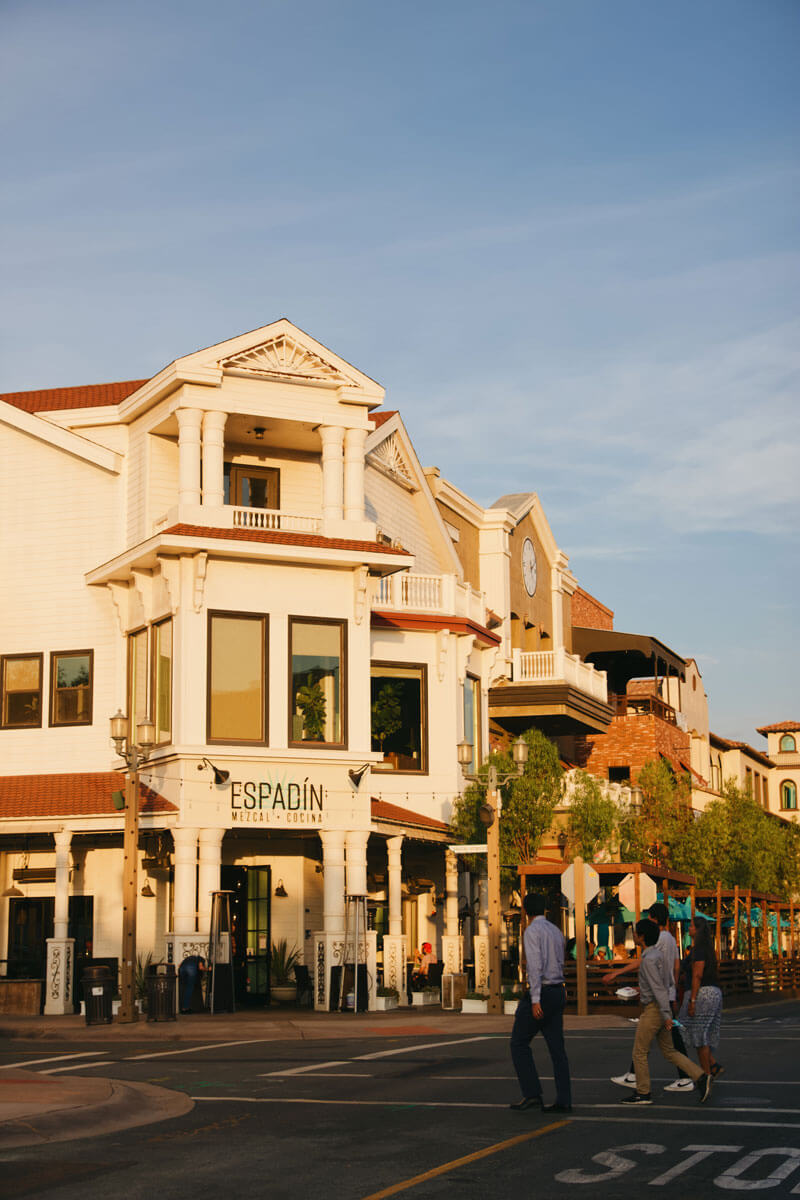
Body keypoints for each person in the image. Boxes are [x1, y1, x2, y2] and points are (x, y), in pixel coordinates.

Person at [607, 901, 695, 1093]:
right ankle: (689, 1076)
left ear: (654, 919)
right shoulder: (671, 938)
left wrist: (617, 973)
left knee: (647, 1041)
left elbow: (644, 961)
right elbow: (676, 964)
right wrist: (674, 986)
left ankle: (687, 1077)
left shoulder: (659, 938)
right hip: (666, 992)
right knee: (664, 1041)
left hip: (658, 997)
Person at [619, 919, 710, 1106]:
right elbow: (667, 981)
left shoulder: (647, 960)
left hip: (654, 1009)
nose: (634, 936)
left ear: (642, 937)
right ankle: (700, 1076)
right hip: (661, 1005)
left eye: (636, 933)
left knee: (639, 1052)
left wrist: (666, 1015)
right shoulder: (658, 955)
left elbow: (658, 988)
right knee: (669, 1050)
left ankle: (643, 1092)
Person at [509, 893, 572, 1113]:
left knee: (518, 1042)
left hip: (542, 991)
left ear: (526, 911)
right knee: (557, 1049)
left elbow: (534, 967)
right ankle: (564, 1098)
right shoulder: (556, 931)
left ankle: (532, 1093)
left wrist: (535, 999)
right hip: (557, 990)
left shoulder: (531, 931)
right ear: (544, 909)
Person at [677, 915, 724, 1079]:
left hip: (703, 993)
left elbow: (697, 974)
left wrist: (693, 1000)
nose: (688, 928)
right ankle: (711, 1064)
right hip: (712, 992)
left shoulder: (699, 950)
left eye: (691, 926)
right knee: (692, 1029)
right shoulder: (704, 948)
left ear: (697, 930)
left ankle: (707, 1074)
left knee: (697, 1033)